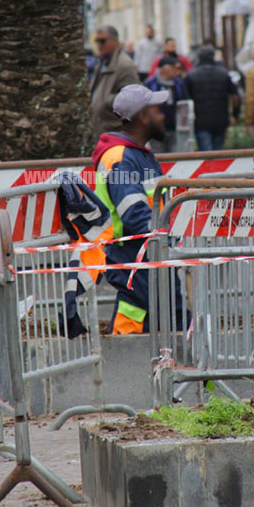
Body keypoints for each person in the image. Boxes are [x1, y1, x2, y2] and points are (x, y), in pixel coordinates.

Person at [91, 84, 186, 334]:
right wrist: (168, 235)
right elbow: (134, 214)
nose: (163, 115)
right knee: (136, 331)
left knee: (177, 324)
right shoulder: (121, 158)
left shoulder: (138, 154)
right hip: (137, 259)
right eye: (157, 110)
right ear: (143, 116)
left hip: (151, 256)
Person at [185, 45, 240, 151]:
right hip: (221, 120)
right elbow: (235, 96)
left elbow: (186, 98)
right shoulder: (223, 73)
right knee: (218, 152)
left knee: (206, 154)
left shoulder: (191, 75)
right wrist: (234, 115)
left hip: (200, 121)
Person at [90, 25, 140, 138]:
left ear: (115, 41)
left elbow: (133, 98)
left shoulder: (124, 65)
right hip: (101, 130)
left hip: (115, 132)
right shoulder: (102, 62)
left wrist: (106, 101)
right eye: (96, 41)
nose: (99, 45)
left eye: (102, 41)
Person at [143, 55, 188, 153]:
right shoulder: (150, 83)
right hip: (156, 130)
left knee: (174, 158)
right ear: (163, 68)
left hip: (174, 128)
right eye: (173, 67)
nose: (176, 70)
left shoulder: (179, 84)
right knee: (159, 159)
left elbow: (184, 102)